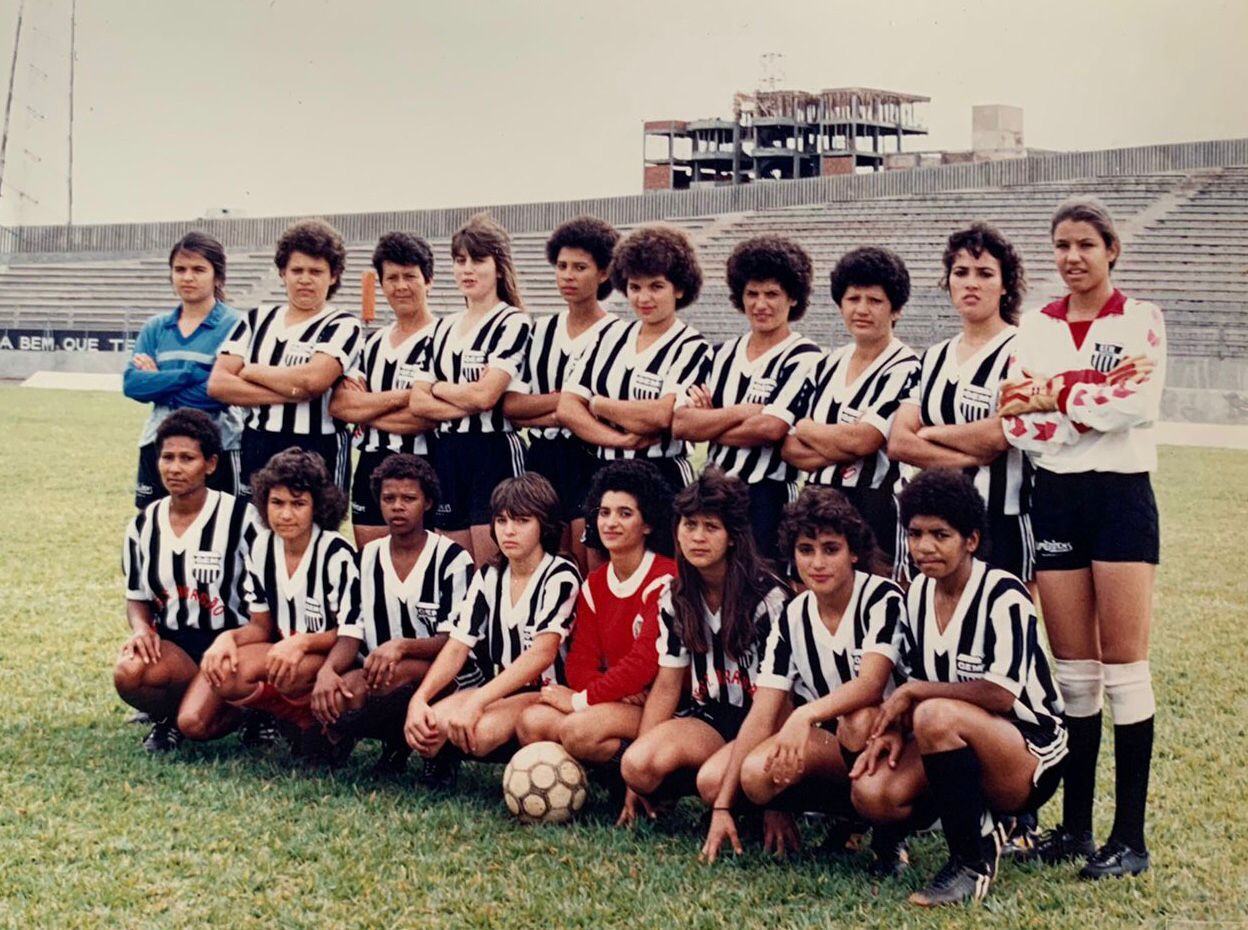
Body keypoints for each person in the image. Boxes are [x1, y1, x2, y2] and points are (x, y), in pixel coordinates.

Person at [995, 197, 1165, 879]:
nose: (1072, 257)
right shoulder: (1034, 326)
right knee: (1074, 674)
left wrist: (1055, 393)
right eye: (1062, 245)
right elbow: (1015, 418)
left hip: (1122, 498)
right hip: (1057, 497)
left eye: (1086, 245)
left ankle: (1130, 840)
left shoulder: (1140, 318)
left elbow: (1138, 403)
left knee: (1124, 667)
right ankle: (1076, 830)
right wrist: (1086, 394)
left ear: (1112, 249)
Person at [849, 469, 1067, 906]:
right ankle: (969, 817)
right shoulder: (913, 597)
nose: (924, 547)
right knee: (873, 794)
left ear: (970, 539)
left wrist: (916, 695)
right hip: (951, 738)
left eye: (940, 535)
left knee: (935, 713)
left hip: (1027, 750)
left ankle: (972, 860)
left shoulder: (1003, 594)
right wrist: (894, 725)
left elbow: (1002, 694)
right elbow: (907, 678)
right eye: (915, 534)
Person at [716, 486, 910, 873]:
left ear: (854, 552)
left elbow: (871, 685)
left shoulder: (882, 597)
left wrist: (802, 716)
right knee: (755, 776)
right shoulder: (792, 614)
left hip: (902, 740)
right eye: (806, 550)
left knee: (859, 720)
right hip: (842, 744)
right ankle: (851, 815)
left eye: (830, 549)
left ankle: (891, 837)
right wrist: (723, 804)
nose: (817, 562)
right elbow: (763, 709)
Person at [618, 469, 789, 841]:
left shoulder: (767, 598)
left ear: (732, 537)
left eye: (710, 527)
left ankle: (748, 805)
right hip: (712, 715)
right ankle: (702, 791)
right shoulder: (676, 597)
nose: (697, 537)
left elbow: (783, 698)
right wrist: (637, 785)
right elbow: (666, 685)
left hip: (766, 717)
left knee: (714, 783)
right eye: (689, 524)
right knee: (636, 765)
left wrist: (779, 798)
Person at [403, 473, 581, 788]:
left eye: (522, 521)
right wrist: (421, 698)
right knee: (431, 725)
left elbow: (542, 653)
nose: (509, 531)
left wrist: (476, 702)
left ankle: (551, 759)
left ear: (545, 525)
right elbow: (458, 644)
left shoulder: (561, 574)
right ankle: (446, 762)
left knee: (480, 735)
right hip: (505, 688)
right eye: (501, 521)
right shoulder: (490, 574)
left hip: (547, 692)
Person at [308, 454, 474, 774]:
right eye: (389, 499)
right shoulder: (366, 558)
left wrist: (401, 646)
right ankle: (391, 740)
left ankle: (438, 752)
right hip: (379, 670)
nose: (398, 506)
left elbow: (455, 641)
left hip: (446, 673)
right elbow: (350, 631)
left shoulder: (452, 559)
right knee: (343, 692)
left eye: (408, 498)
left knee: (389, 678)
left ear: (427, 503)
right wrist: (328, 670)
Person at [889, 223, 1034, 585]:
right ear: (948, 282)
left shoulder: (1024, 350)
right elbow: (899, 442)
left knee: (1000, 628)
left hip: (1002, 518)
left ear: (1005, 285)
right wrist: (972, 453)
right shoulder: (934, 357)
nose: (971, 283)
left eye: (985, 273)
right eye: (961, 272)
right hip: (935, 524)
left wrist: (932, 431)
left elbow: (999, 435)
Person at [515, 460, 676, 772]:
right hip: (619, 698)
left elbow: (644, 663)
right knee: (532, 721)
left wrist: (580, 701)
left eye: (624, 513)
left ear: (648, 523)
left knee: (578, 730)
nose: (611, 523)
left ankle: (638, 778)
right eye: (604, 512)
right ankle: (592, 779)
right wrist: (605, 692)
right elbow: (579, 663)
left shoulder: (666, 579)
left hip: (659, 704)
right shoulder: (595, 583)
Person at [115, 409, 260, 751]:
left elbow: (268, 598)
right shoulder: (143, 525)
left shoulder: (241, 517)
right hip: (176, 646)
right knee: (129, 671)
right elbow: (137, 596)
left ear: (210, 464)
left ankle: (254, 710)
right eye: (167, 457)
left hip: (234, 644)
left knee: (196, 725)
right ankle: (168, 719)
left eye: (187, 458)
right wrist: (141, 629)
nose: (175, 468)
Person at [672, 235, 821, 561]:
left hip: (766, 495)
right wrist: (743, 411)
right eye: (752, 294)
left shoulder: (804, 356)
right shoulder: (720, 353)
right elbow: (682, 423)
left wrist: (710, 420)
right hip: (712, 491)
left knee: (761, 589)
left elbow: (770, 429)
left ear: (793, 298)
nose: (760, 304)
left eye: (772, 294)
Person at [200, 448, 360, 743]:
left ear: (318, 506)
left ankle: (325, 726)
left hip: (335, 656)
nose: (286, 514)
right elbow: (260, 625)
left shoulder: (335, 552)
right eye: (277, 502)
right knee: (226, 672)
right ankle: (296, 718)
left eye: (298, 504)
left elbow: (351, 633)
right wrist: (228, 639)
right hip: (285, 650)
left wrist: (302, 642)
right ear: (263, 503)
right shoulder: (261, 546)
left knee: (291, 671)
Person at [778, 246, 919, 574]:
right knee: (812, 599)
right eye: (853, 299)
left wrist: (810, 428)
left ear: (895, 309)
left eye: (875, 300)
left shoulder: (905, 366)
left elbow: (865, 440)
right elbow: (788, 446)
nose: (862, 309)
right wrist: (843, 441)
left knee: (877, 602)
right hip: (816, 498)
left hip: (875, 503)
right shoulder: (826, 364)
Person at [408, 213, 532, 566]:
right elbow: (418, 401)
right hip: (447, 453)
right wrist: (467, 395)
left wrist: (442, 388)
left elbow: (487, 396)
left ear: (498, 266)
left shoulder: (512, 322)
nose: (467, 269)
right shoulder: (442, 328)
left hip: (492, 452)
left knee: (493, 564)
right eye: (460, 261)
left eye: (478, 260)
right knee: (456, 566)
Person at [207, 219, 362, 497]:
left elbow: (312, 381)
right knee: (255, 532)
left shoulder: (342, 324)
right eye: (297, 270)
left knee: (315, 534)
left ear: (334, 276)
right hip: (259, 443)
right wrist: (293, 392)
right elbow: (218, 384)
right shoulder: (256, 319)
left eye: (316, 271)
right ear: (282, 273)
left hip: (318, 447)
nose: (305, 279)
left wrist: (251, 371)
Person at [559, 224, 710, 495]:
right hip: (603, 473)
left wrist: (597, 403)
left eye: (656, 286)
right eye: (635, 287)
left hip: (661, 474)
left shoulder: (692, 347)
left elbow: (661, 415)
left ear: (679, 288)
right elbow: (568, 408)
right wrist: (619, 439)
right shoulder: (609, 335)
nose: (644, 298)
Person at [507, 215, 620, 572]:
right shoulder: (540, 330)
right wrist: (566, 408)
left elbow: (606, 412)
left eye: (580, 267)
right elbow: (511, 407)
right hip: (541, 455)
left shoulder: (618, 334)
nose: (568, 276)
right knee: (541, 558)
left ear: (604, 273)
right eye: (562, 266)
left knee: (585, 561)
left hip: (590, 457)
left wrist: (562, 410)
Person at [327, 232, 439, 548]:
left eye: (409, 276)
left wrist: (370, 408)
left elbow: (426, 417)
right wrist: (407, 396)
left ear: (428, 280)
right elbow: (342, 406)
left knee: (423, 564)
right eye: (391, 278)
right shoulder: (372, 342)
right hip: (372, 463)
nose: (400, 286)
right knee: (372, 563)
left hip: (425, 461)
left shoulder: (443, 337)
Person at [123, 232, 243, 509]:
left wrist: (160, 383)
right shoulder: (156, 327)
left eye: (198, 269)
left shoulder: (236, 325)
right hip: (158, 443)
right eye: (180, 269)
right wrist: (191, 374)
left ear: (217, 276)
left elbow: (217, 393)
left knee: (218, 527)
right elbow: (132, 384)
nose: (188, 277)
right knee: (154, 525)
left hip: (220, 444)